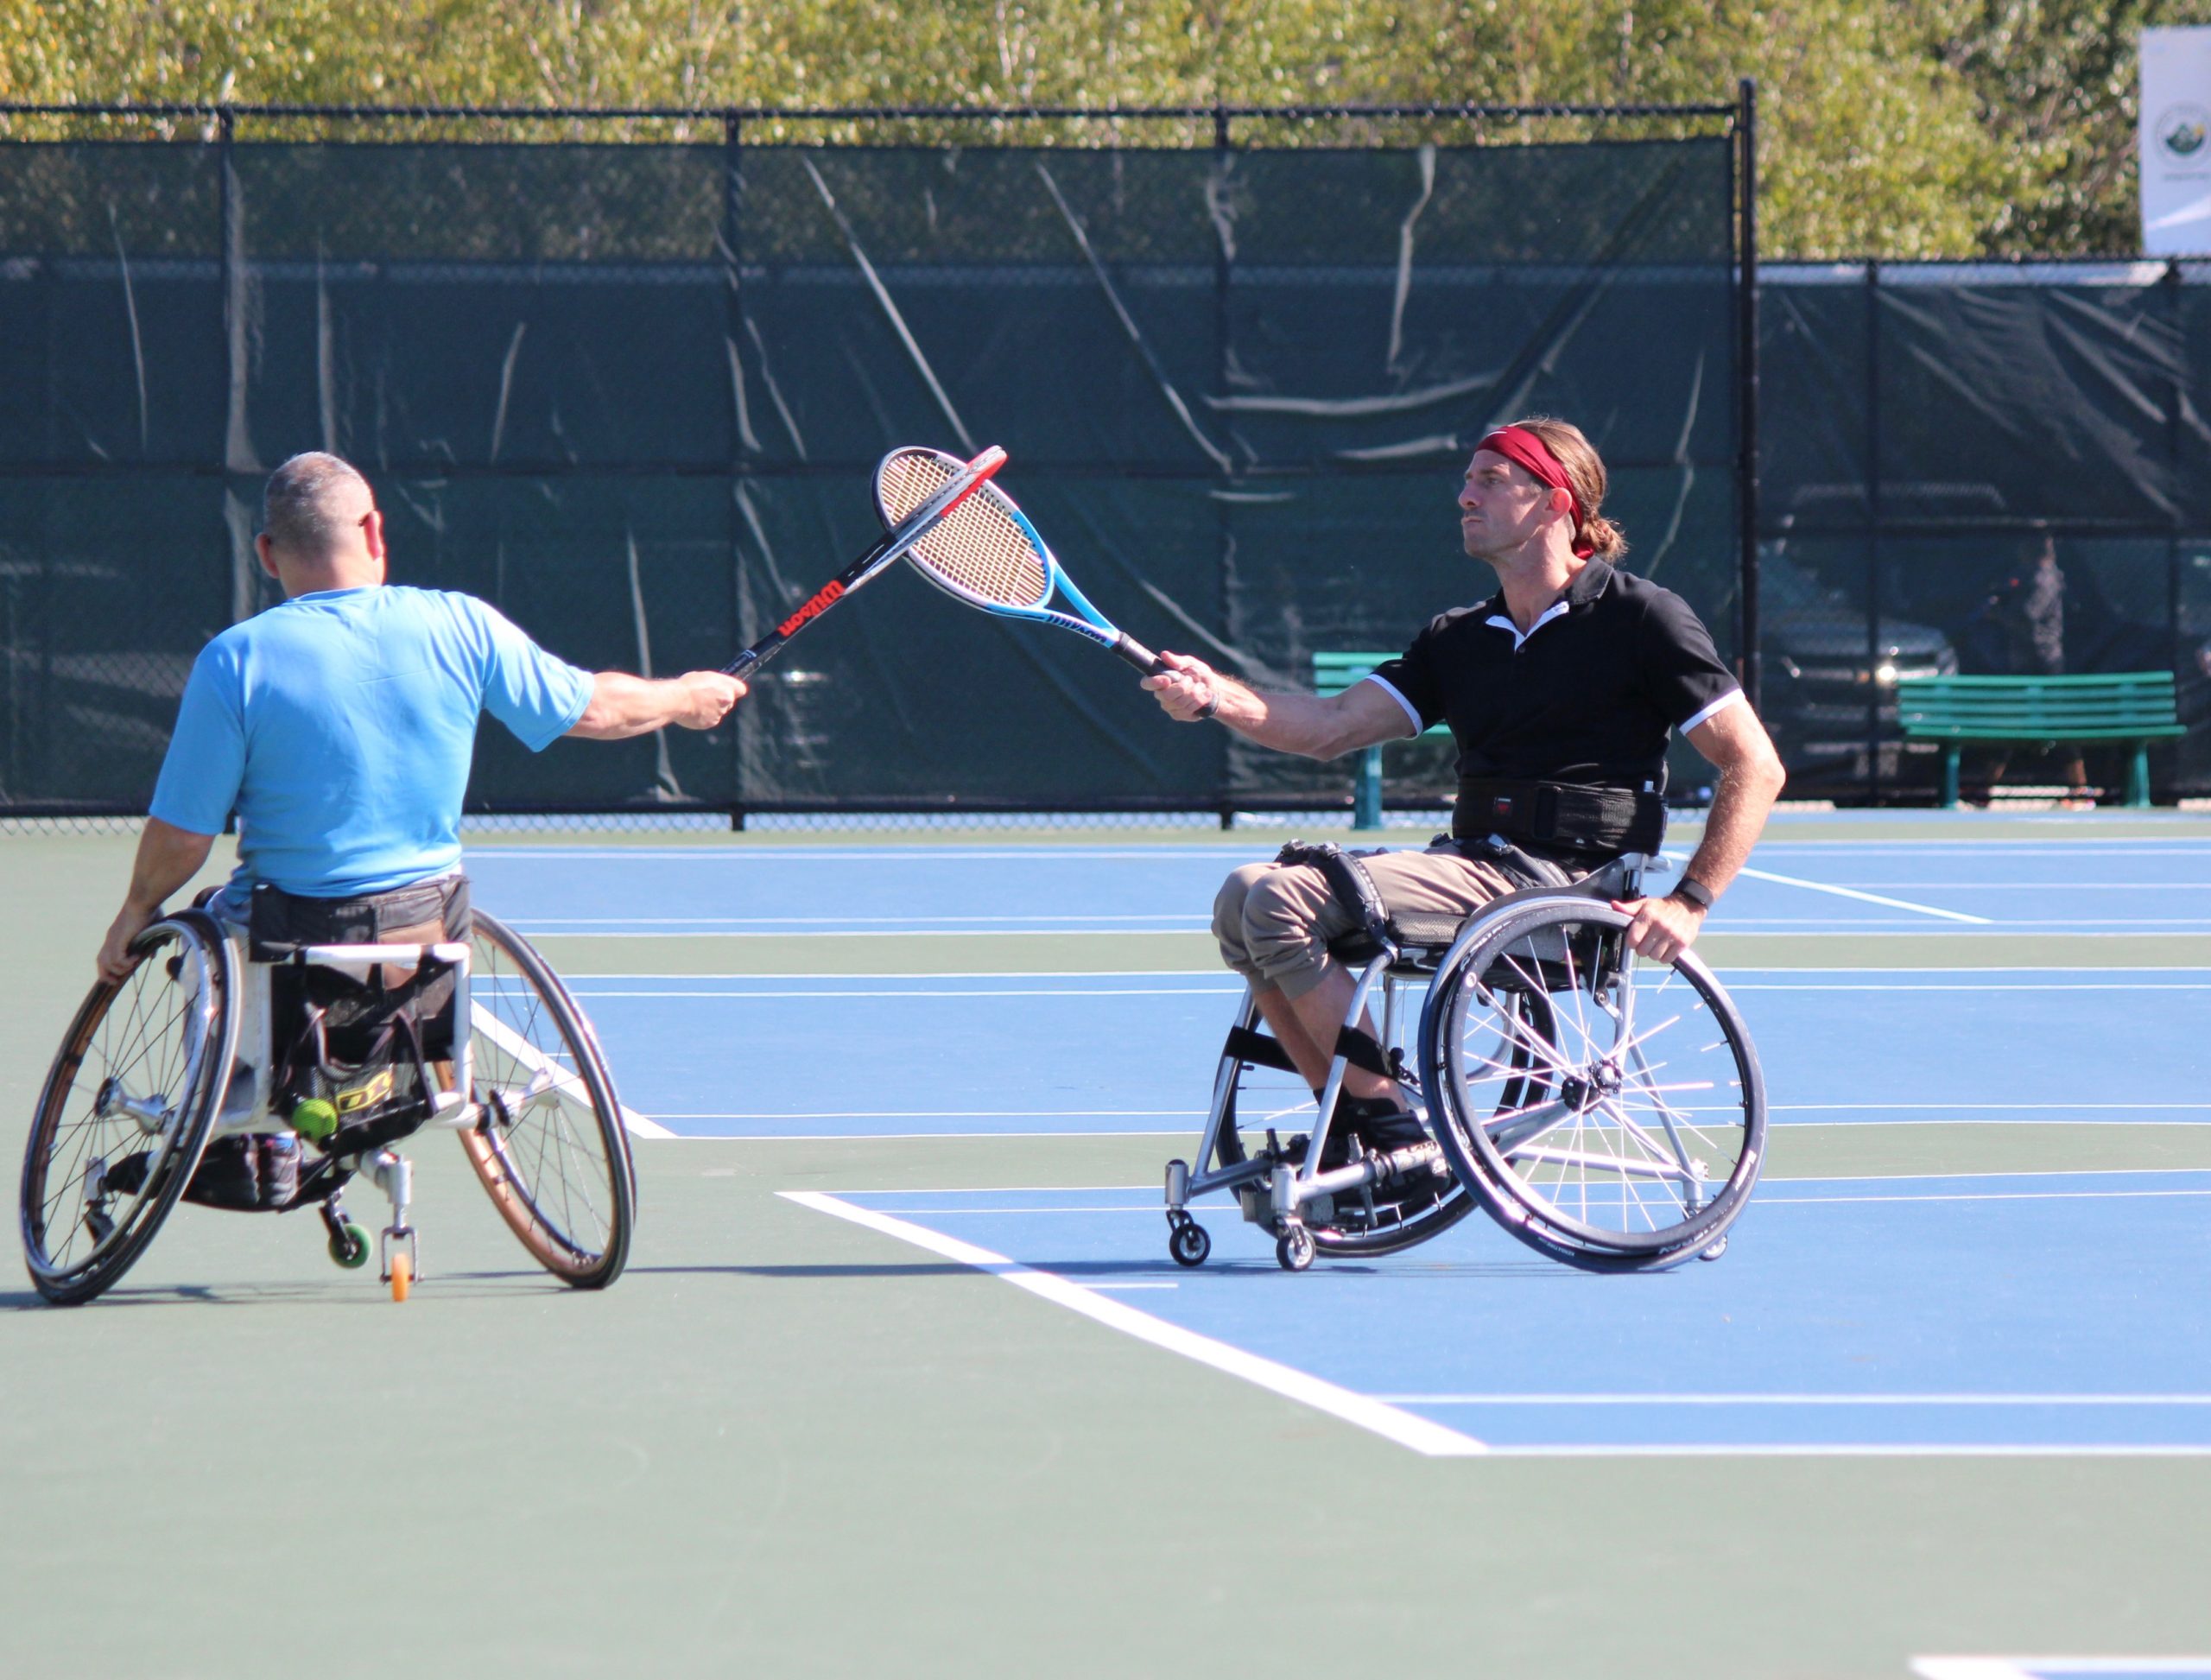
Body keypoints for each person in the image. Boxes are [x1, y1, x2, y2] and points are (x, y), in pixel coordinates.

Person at [1142, 415, 1786, 1169]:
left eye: (1490, 480)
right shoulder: (1460, 638)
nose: (1464, 496)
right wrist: (1215, 694)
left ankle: (1390, 1131)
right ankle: (1357, 1122)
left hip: (1567, 886)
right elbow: (1329, 725)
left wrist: (1690, 900)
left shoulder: (1642, 618)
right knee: (1242, 897)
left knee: (1280, 900)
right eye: (1467, 479)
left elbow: (1756, 764)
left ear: (1554, 501)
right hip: (1477, 867)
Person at [96, 451, 745, 982]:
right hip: (429, 927)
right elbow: (599, 709)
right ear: (375, 531)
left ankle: (214, 1124)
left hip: (287, 941)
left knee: (205, 930)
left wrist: (135, 909)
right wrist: (688, 697)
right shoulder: (463, 623)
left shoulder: (233, 660)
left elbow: (183, 837)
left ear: (266, 553)